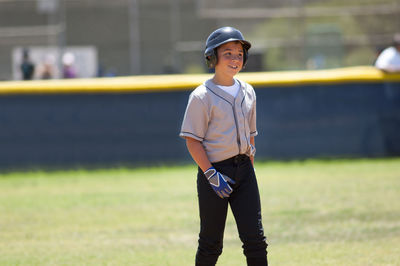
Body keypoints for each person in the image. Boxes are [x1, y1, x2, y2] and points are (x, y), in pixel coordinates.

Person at [179, 26, 268, 266]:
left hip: (244, 172)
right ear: (212, 57)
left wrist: (249, 167)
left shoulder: (248, 91)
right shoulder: (202, 96)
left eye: (239, 54)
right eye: (227, 53)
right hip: (214, 172)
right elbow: (193, 140)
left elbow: (251, 135)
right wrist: (210, 174)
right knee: (211, 243)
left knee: (256, 240)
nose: (235, 59)